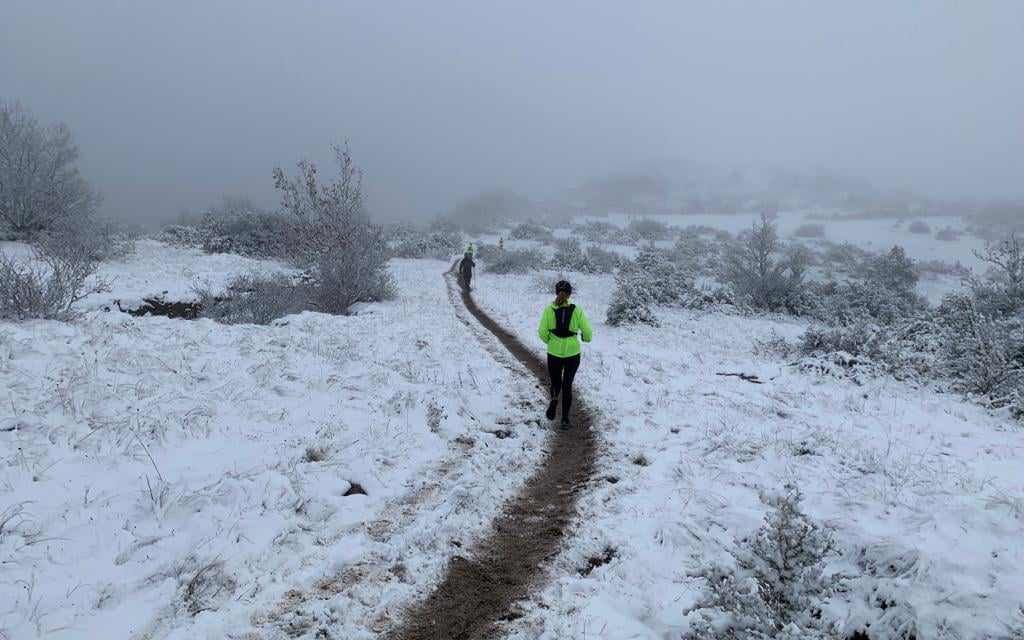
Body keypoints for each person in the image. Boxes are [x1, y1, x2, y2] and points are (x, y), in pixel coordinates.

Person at [537, 280, 593, 429]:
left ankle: (554, 398)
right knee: (567, 384)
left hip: (554, 353)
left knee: (556, 382)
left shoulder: (549, 310)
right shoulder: (577, 310)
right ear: (569, 294)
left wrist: (550, 341)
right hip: (572, 354)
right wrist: (585, 338)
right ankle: (565, 419)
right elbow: (588, 332)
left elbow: (542, 332)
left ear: (556, 292)